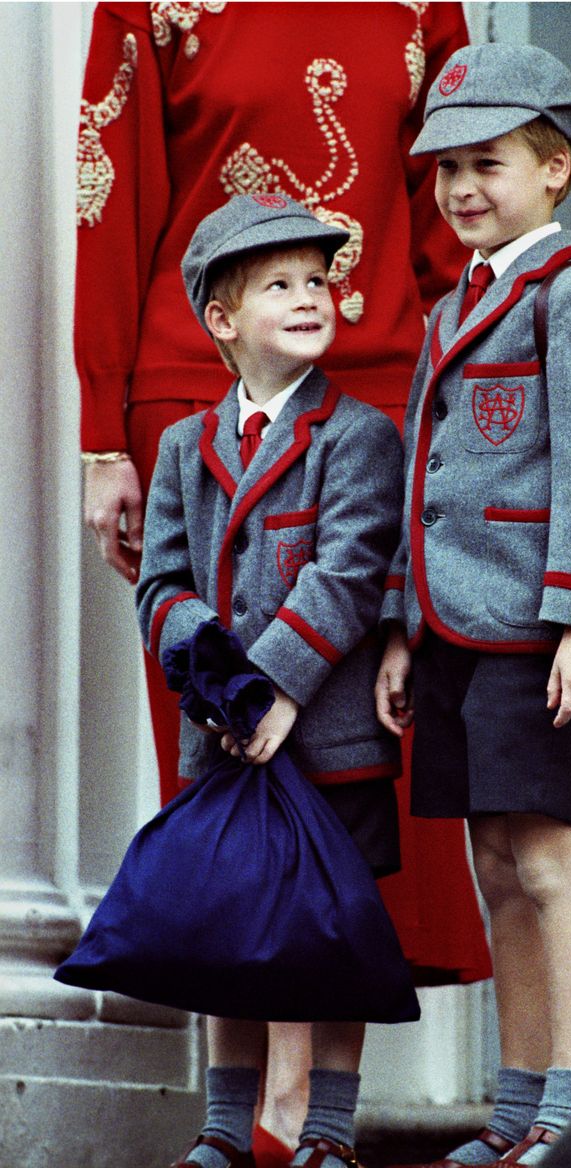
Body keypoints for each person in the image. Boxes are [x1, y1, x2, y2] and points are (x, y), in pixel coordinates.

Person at [75, 5, 491, 1159]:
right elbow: (111, 196)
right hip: (195, 383)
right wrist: (103, 427)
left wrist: (473, 398)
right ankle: (248, 1112)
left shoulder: (423, 4)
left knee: (357, 783)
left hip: (388, 387)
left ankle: (310, 1115)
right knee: (224, 796)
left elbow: (446, 212)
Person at [375, 42, 571, 1167]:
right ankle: (516, 1108)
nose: (459, 190)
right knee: (493, 862)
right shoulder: (450, 312)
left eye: (485, 163)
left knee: (548, 859)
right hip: (451, 632)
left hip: (537, 633)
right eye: (444, 170)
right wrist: (400, 627)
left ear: (555, 170)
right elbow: (420, 477)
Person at [135, 193, 409, 1168]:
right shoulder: (181, 448)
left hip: (326, 729)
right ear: (221, 318)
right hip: (222, 734)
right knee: (228, 931)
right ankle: (222, 1127)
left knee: (333, 934)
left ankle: (327, 1132)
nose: (310, 296)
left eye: (318, 280)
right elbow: (161, 581)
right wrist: (213, 679)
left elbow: (346, 572)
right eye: (280, 284)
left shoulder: (360, 435)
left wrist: (276, 688)